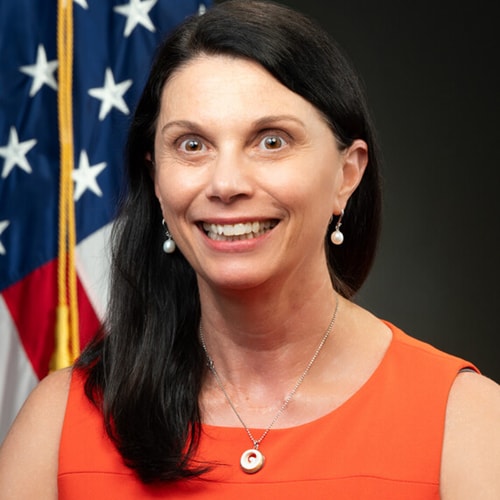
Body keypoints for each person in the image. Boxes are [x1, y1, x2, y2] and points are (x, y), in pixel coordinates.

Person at [1, 0, 499, 498]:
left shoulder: (467, 422)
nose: (226, 183)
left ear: (347, 174)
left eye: (271, 141)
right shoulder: (59, 423)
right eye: (192, 145)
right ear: (155, 178)